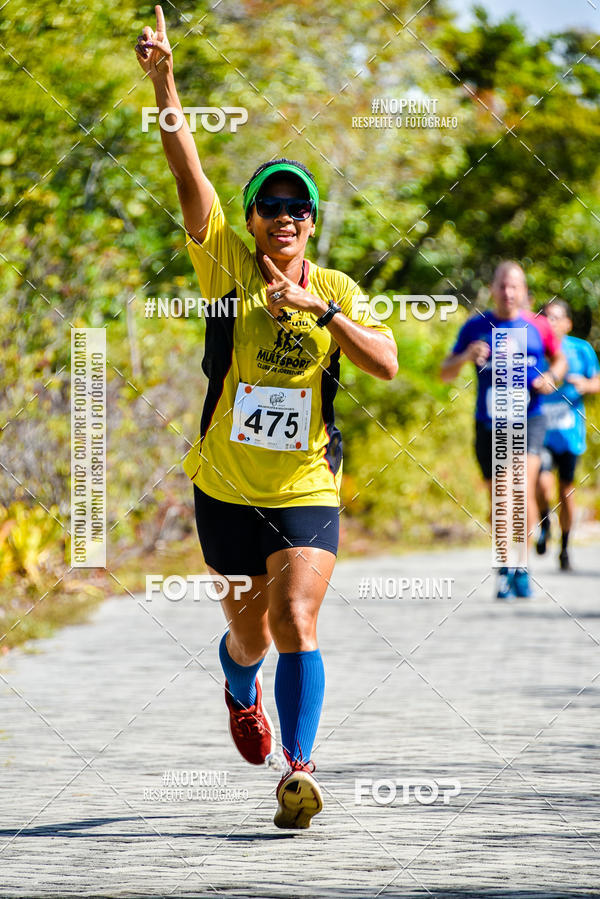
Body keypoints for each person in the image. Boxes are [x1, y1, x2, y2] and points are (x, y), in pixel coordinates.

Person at [135, 7, 398, 829]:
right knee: (248, 637)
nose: (285, 216)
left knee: (296, 620)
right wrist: (165, 83)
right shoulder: (225, 267)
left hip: (306, 485)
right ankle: (238, 686)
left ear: (312, 222)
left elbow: (386, 361)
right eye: (270, 205)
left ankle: (299, 770)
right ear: (250, 221)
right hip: (224, 487)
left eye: (299, 207)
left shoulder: (338, 289)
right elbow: (189, 173)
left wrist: (321, 312)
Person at [440, 262, 566, 600]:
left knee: (520, 490)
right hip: (489, 423)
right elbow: (445, 372)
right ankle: (503, 566)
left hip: (529, 419)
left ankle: (520, 567)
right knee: (499, 498)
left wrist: (551, 377)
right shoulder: (475, 327)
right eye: (502, 286)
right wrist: (466, 356)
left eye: (514, 287)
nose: (508, 293)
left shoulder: (538, 326)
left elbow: (560, 360)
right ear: (492, 289)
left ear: (523, 291)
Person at [536, 299, 600, 570]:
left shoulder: (581, 349)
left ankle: (564, 547)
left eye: (555, 317)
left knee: (566, 492)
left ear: (567, 323)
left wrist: (585, 385)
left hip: (570, 435)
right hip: (541, 432)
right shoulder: (534, 348)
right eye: (545, 317)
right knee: (541, 482)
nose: (550, 322)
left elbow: (597, 381)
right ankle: (544, 522)